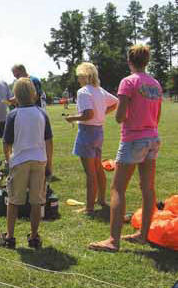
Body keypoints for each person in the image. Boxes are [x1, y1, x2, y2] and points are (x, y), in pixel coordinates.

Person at [89, 45, 163, 252]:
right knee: (147, 188)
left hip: (133, 140)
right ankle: (143, 235)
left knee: (118, 189)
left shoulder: (128, 82)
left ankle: (113, 240)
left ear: (129, 61)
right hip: (153, 138)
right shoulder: (156, 84)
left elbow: (120, 116)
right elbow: (157, 117)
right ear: (146, 61)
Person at [0, 77, 53, 249]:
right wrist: (49, 164)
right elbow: (49, 141)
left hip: (20, 161)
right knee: (36, 201)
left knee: (14, 200)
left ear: (16, 95)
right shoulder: (42, 113)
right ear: (33, 94)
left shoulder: (13, 115)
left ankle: (10, 237)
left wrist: (8, 160)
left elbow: (6, 142)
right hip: (39, 160)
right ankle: (34, 237)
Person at [65, 62, 118, 215]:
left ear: (84, 76)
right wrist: (102, 113)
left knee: (90, 172)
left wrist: (72, 118)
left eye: (79, 76)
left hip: (87, 133)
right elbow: (115, 102)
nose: (78, 79)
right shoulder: (99, 90)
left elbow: (88, 114)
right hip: (98, 132)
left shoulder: (83, 92)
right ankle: (101, 199)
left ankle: (89, 208)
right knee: (98, 169)